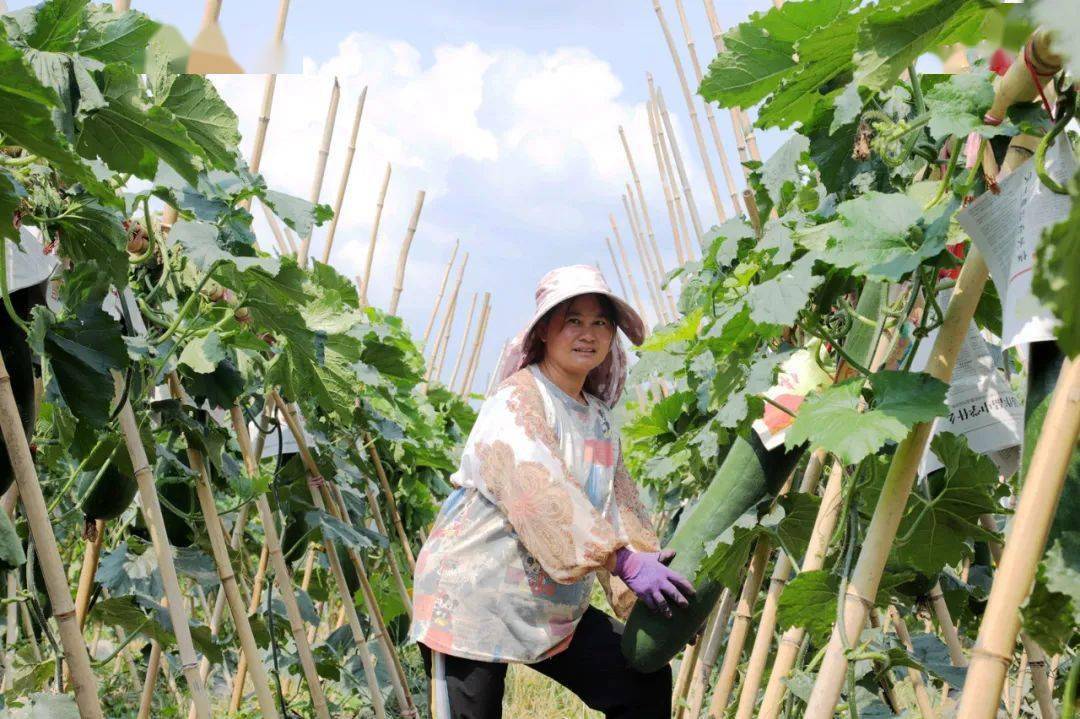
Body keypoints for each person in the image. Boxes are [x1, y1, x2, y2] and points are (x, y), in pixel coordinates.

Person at [409, 264, 695, 718]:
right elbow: (541, 494)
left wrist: (656, 604)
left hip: (551, 611)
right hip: (474, 601)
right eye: (574, 321)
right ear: (544, 331)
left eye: (601, 322)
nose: (589, 333)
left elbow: (620, 508)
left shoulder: (598, 417)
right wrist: (621, 560)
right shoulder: (517, 401)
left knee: (639, 683)